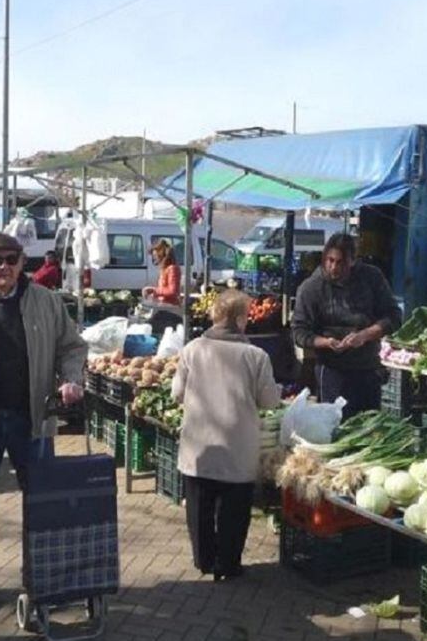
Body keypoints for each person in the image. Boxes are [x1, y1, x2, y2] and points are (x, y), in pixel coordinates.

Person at [0, 232, 88, 615]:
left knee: (43, 506)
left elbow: (72, 346)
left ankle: (41, 579)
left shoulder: (46, 302)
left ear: (21, 262)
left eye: (11, 259)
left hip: (32, 419)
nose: (4, 267)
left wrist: (71, 378)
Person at [170, 289, 279, 579]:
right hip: (237, 443)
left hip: (199, 444)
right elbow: (270, 401)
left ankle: (204, 560)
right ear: (241, 320)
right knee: (234, 508)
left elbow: (177, 394)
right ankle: (228, 564)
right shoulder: (256, 356)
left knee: (199, 506)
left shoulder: (192, 349)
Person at [291, 233, 401, 419]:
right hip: (332, 370)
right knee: (335, 425)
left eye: (340, 262)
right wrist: (326, 342)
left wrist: (365, 335)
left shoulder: (372, 278)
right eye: (329, 260)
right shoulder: (311, 288)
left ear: (352, 261)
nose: (333, 267)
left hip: (368, 367)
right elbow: (299, 332)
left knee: (368, 428)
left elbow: (394, 316)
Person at [142, 239, 180, 305]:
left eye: (155, 256)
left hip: (170, 307)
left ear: (161, 254)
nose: (154, 259)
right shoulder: (164, 269)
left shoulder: (172, 269)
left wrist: (154, 291)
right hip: (163, 304)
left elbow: (173, 292)